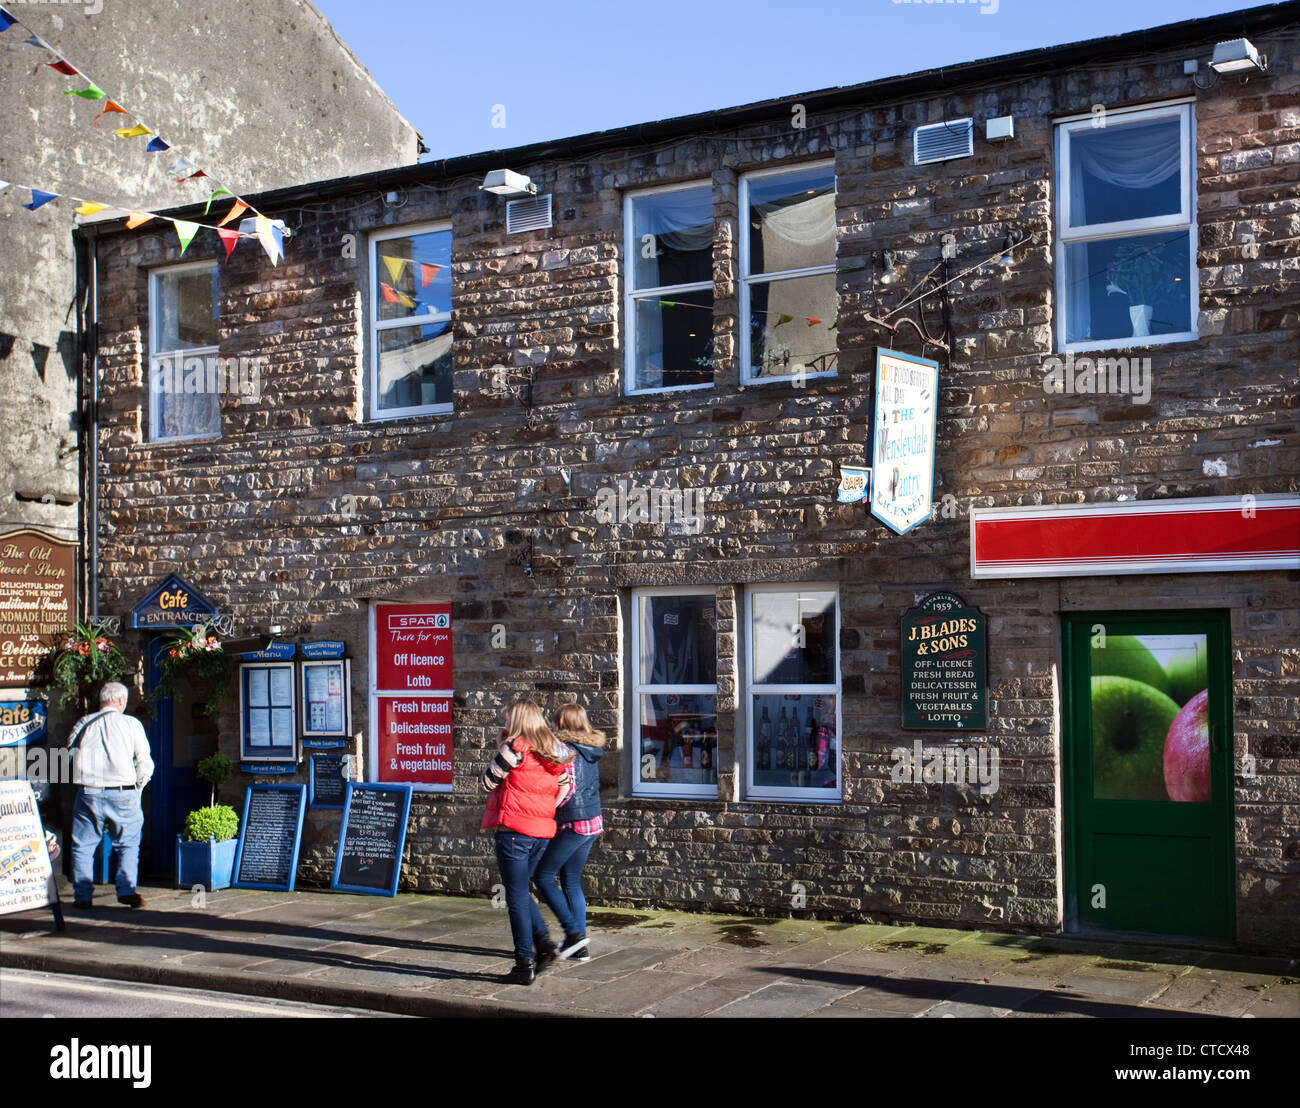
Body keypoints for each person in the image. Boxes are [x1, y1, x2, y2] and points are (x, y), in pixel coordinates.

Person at [480, 698, 574, 985]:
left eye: (508, 719)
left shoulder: (514, 749)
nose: (505, 725)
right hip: (542, 832)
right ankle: (544, 944)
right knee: (518, 890)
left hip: (514, 833)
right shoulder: (552, 750)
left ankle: (524, 963)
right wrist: (546, 810)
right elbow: (566, 787)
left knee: (517, 897)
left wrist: (500, 748)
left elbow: (486, 782)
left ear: (518, 720)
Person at [68, 682, 154, 909]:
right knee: (127, 844)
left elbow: (69, 753)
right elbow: (144, 762)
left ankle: (83, 896)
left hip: (89, 790)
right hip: (123, 791)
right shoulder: (131, 724)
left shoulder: (84, 723)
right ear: (121, 702)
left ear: (101, 700)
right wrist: (138, 787)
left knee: (83, 845)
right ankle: (126, 891)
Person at [533, 703, 606, 962]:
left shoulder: (565, 750)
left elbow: (568, 788)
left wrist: (545, 808)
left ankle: (574, 934)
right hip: (592, 821)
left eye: (554, 722)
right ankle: (579, 947)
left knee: (543, 875)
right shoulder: (591, 748)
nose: (552, 726)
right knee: (571, 880)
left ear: (561, 724)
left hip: (573, 823)